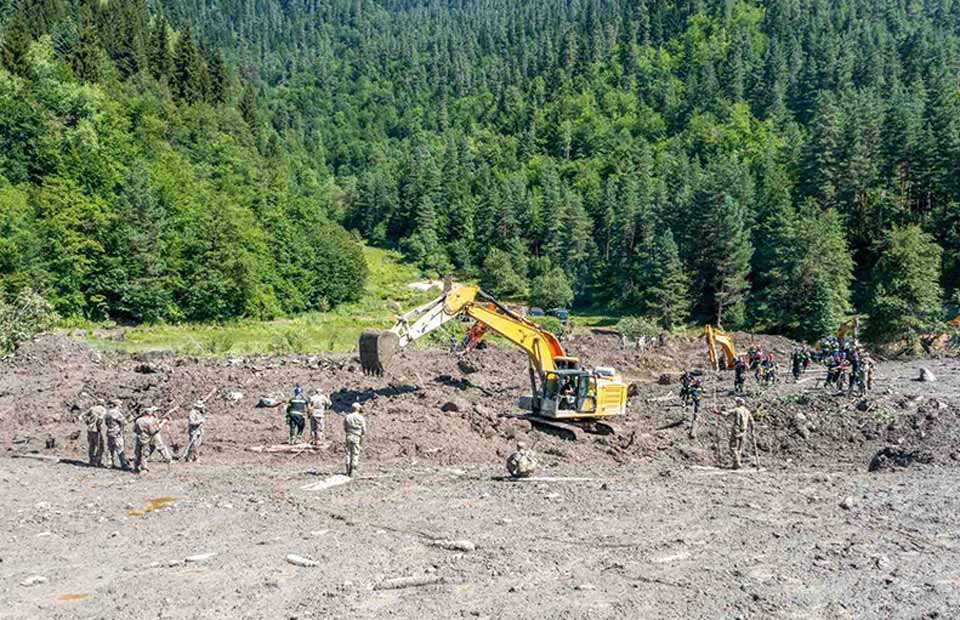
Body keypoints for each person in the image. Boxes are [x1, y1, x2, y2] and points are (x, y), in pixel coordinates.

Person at [716, 397, 754, 470]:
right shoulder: (747, 411)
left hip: (737, 431)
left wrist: (718, 412)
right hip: (744, 431)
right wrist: (752, 430)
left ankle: (737, 462)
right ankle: (736, 463)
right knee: (739, 448)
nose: (736, 403)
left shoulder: (737, 410)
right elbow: (752, 421)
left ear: (739, 403)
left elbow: (727, 414)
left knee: (733, 447)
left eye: (737, 402)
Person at [133, 407, 172, 473]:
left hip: (140, 438)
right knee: (145, 453)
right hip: (148, 439)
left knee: (138, 454)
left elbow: (134, 430)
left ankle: (136, 467)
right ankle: (144, 469)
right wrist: (162, 423)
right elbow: (153, 431)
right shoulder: (149, 421)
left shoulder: (138, 420)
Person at [103, 400, 129, 470]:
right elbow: (124, 422)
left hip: (109, 432)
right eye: (120, 404)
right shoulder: (117, 413)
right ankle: (124, 464)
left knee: (110, 449)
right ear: (117, 405)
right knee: (120, 449)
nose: (121, 405)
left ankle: (109, 463)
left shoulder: (108, 412)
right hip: (117, 433)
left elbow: (106, 422)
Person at [343, 402, 367, 477]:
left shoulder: (347, 417)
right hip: (357, 436)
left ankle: (347, 470)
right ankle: (353, 471)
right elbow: (364, 430)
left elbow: (345, 427)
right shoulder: (360, 417)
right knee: (355, 453)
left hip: (349, 435)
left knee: (348, 453)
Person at [79, 403, 106, 467]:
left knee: (92, 446)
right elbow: (100, 419)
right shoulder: (103, 409)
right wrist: (99, 427)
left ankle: (91, 461)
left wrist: (87, 422)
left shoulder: (92, 408)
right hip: (96, 430)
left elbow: (81, 416)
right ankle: (97, 461)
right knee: (100, 447)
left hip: (89, 429)